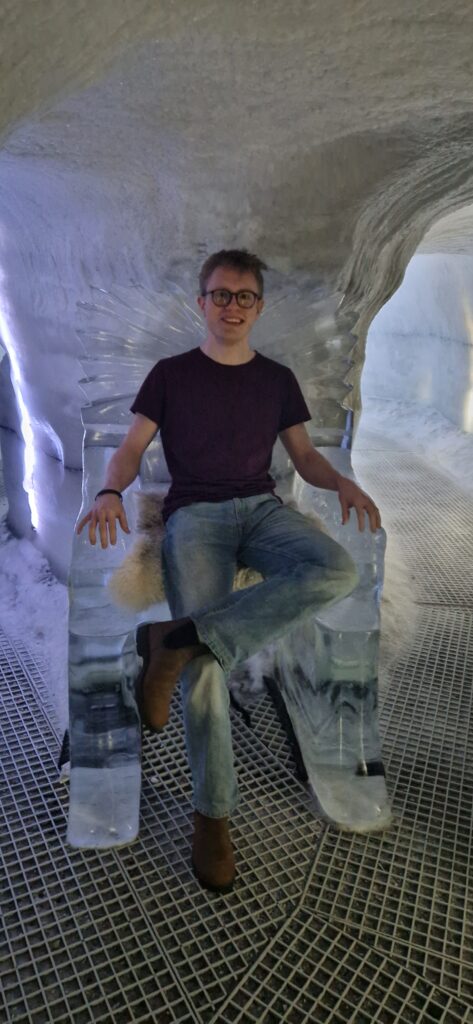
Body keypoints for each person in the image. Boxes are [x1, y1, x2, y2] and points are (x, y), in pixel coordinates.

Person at [77, 249, 381, 894]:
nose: (232, 306)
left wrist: (343, 483)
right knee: (209, 668)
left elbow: (304, 458)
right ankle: (212, 816)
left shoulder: (277, 378)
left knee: (335, 568)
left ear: (259, 307)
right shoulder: (171, 375)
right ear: (202, 303)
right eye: (221, 295)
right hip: (197, 517)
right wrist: (107, 492)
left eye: (244, 296)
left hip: (262, 512)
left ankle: (176, 638)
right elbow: (130, 447)